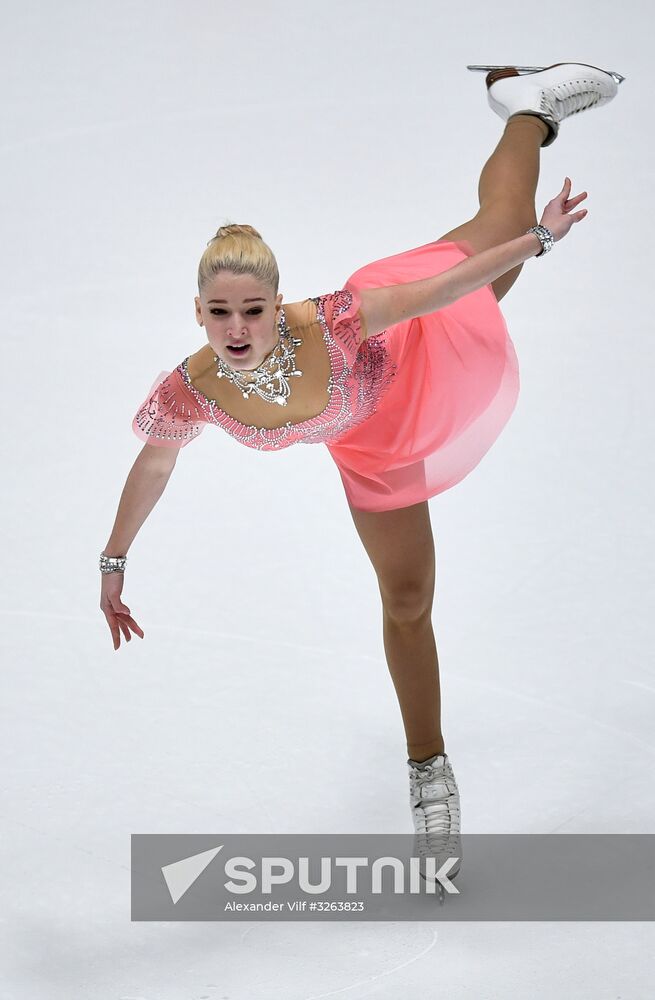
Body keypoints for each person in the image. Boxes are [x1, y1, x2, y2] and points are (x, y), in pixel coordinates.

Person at [99, 63, 624, 884]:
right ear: (197, 314)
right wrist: (114, 560)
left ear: (278, 306)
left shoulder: (332, 322)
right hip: (373, 447)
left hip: (415, 345)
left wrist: (541, 239)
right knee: (408, 600)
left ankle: (529, 107)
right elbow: (154, 461)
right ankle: (430, 773)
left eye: (253, 309)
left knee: (500, 225)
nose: (237, 327)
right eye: (219, 312)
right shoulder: (191, 388)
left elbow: (441, 288)